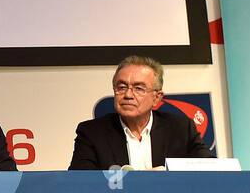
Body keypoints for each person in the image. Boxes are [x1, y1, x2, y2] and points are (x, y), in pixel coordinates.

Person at [69, 55, 211, 170]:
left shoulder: (181, 129)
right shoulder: (92, 133)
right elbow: (80, 184)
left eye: (139, 88)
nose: (128, 95)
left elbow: (212, 170)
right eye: (122, 87)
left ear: (156, 98)